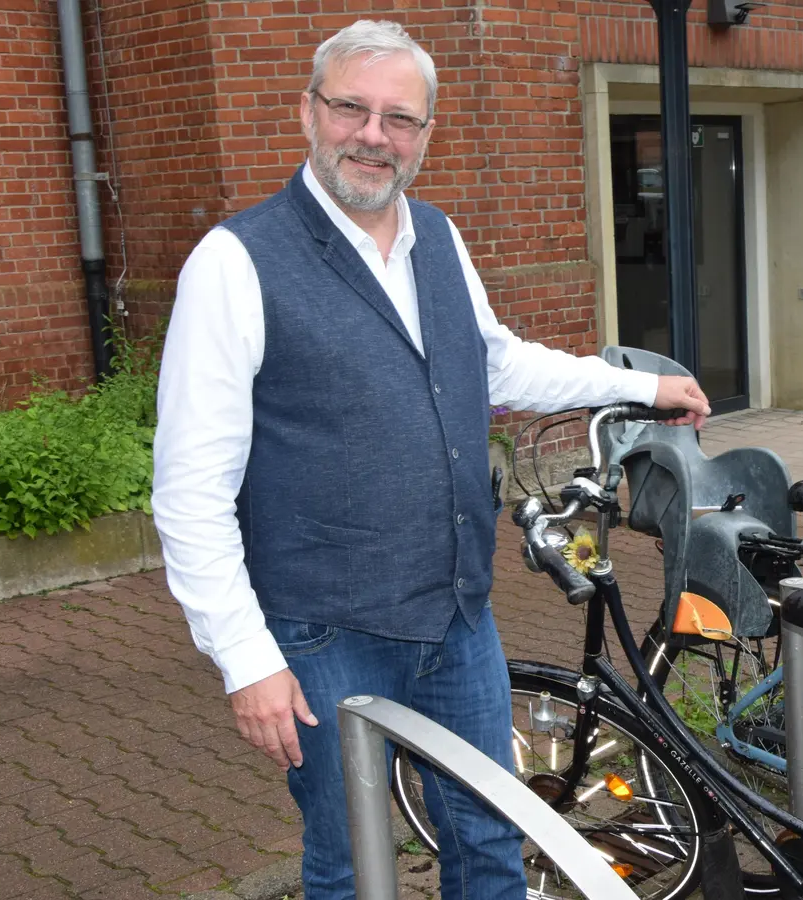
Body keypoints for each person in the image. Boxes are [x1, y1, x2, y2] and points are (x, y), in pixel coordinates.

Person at [150, 19, 711, 900]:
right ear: (309, 113)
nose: (374, 135)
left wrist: (640, 388)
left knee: (490, 840)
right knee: (352, 863)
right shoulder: (235, 262)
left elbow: (493, 359)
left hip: (455, 618)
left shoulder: (437, 237)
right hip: (324, 634)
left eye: (399, 119)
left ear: (423, 135)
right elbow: (189, 491)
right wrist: (246, 660)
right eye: (352, 109)